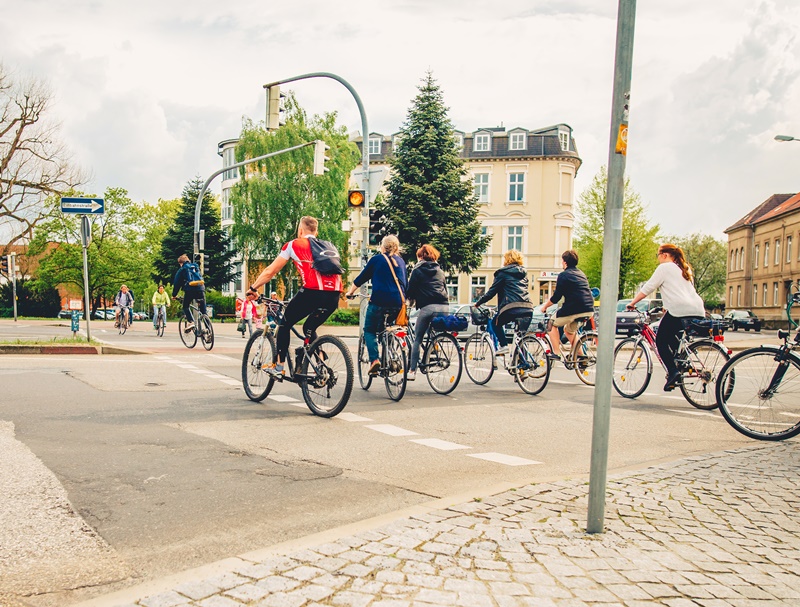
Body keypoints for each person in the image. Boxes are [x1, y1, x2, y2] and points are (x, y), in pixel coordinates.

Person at [247, 216, 342, 377]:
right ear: (316, 231)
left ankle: (278, 367)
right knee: (309, 328)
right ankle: (320, 365)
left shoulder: (294, 244)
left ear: (300, 230)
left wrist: (253, 288)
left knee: (285, 323)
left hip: (312, 293)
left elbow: (270, 271)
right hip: (334, 296)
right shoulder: (329, 246)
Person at [627, 243, 705, 391]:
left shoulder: (664, 267)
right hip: (696, 308)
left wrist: (632, 303)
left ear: (664, 255)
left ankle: (673, 372)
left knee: (660, 340)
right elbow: (680, 290)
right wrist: (666, 306)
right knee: (672, 336)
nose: (658, 259)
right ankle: (681, 363)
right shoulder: (685, 268)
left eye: (658, 255)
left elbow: (649, 287)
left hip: (679, 310)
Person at [345, 235, 407, 376]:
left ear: (383, 247)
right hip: (398, 303)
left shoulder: (377, 260)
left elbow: (361, 278)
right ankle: (391, 356)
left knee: (369, 330)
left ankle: (375, 360)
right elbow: (405, 284)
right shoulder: (401, 262)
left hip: (379, 301)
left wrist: (350, 292)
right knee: (389, 329)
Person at [473, 250, 534, 355]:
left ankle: (504, 345)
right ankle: (524, 363)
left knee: (495, 323)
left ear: (507, 260)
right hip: (528, 307)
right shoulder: (524, 273)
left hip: (511, 307)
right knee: (521, 336)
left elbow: (492, 291)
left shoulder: (502, 273)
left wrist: (478, 303)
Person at [539, 250, 595, 361]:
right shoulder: (581, 274)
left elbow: (556, 297)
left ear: (565, 262)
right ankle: (582, 356)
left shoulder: (563, 275)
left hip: (574, 308)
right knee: (569, 331)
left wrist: (545, 307)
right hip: (589, 309)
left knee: (551, 324)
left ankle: (556, 353)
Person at [404, 244, 449, 381]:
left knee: (417, 339)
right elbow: (445, 289)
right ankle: (434, 347)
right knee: (433, 331)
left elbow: (410, 291)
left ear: (421, 257)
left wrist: (408, 303)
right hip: (444, 307)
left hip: (428, 307)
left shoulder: (417, 271)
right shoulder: (440, 271)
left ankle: (412, 371)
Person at [172, 254, 207, 333]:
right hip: (201, 289)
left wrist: (174, 295)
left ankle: (191, 322)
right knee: (204, 312)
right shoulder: (196, 266)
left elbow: (177, 283)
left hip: (190, 290)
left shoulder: (182, 269)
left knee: (185, 306)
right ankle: (208, 330)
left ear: (181, 263)